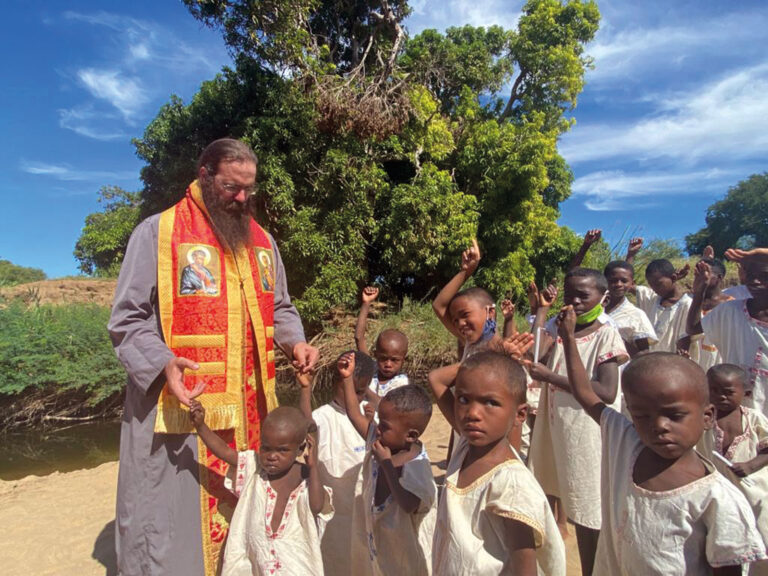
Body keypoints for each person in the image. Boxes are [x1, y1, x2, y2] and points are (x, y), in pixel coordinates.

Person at [108, 138, 319, 575]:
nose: (241, 198)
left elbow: (279, 307)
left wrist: (294, 342)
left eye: (249, 189)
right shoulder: (158, 233)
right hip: (180, 409)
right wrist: (163, 363)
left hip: (250, 413)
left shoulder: (262, 243)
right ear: (204, 175)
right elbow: (128, 319)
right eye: (230, 187)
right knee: (171, 529)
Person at [559, 305, 766, 574]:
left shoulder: (718, 499)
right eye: (642, 416)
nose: (659, 426)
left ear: (707, 416)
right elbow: (584, 391)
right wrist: (568, 338)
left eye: (674, 415)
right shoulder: (625, 439)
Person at [526, 267, 628, 576]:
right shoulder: (559, 329)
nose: (576, 302)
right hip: (555, 428)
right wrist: (542, 312)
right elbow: (535, 353)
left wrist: (552, 377)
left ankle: (592, 569)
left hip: (586, 434)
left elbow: (607, 392)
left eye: (584, 296)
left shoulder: (606, 334)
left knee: (587, 510)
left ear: (603, 297)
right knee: (549, 489)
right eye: (571, 296)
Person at [428, 351, 565, 575]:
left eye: (490, 402)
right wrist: (490, 350)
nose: (472, 413)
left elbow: (525, 569)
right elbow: (437, 379)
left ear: (520, 415)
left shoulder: (511, 485)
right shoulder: (466, 445)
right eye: (463, 399)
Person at [189, 396, 332, 575]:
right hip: (252, 567)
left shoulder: (307, 477)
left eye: (282, 450)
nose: (272, 456)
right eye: (266, 448)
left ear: (300, 449)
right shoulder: (253, 469)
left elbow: (317, 507)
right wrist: (201, 426)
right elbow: (224, 452)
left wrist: (313, 467)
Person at [338, 353, 437, 576]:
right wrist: (347, 378)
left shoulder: (417, 465)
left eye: (385, 425)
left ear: (411, 435)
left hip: (405, 556)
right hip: (378, 546)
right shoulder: (382, 441)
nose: (378, 428)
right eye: (379, 422)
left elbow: (409, 504)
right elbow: (354, 413)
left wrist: (387, 466)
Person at [300, 350, 376, 575]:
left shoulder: (370, 415)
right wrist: (305, 390)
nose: (356, 396)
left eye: (361, 391)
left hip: (367, 518)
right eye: (350, 388)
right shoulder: (322, 417)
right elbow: (308, 429)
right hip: (336, 522)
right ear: (337, 381)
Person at [698, 364, 768, 575]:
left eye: (728, 392)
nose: (721, 397)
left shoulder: (753, 418)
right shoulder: (701, 419)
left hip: (753, 494)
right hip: (715, 495)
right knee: (721, 542)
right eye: (714, 391)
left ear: (745, 392)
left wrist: (750, 465)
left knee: (761, 539)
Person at [687, 248, 768, 415]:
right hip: (739, 410)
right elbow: (693, 329)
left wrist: (757, 253)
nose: (756, 282)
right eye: (751, 276)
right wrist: (699, 292)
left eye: (764, 276)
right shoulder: (731, 310)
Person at [355, 286, 410, 399]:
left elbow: (382, 405)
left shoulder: (401, 382)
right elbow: (359, 338)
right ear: (376, 355)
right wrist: (366, 303)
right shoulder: (372, 368)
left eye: (394, 360)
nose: (388, 364)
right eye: (383, 358)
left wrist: (364, 388)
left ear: (403, 359)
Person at [633, 256, 692, 354]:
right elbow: (626, 284)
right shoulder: (652, 299)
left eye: (658, 284)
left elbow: (684, 340)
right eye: (651, 285)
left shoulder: (686, 305)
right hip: (651, 362)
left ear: (673, 278)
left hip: (672, 364)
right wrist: (631, 254)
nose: (654, 288)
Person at [683, 258, 733, 370]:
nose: (700, 278)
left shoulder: (731, 306)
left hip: (721, 367)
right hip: (692, 367)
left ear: (719, 278)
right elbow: (687, 332)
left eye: (705, 273)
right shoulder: (688, 302)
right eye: (698, 274)